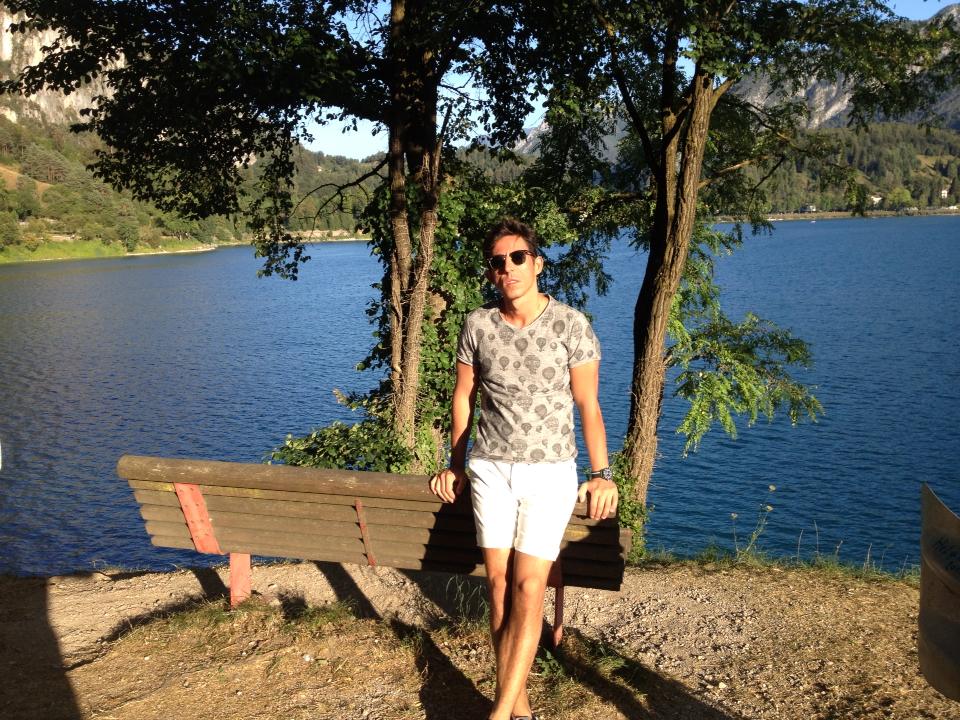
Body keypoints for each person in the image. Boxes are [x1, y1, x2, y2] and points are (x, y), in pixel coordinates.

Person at [430, 218, 618, 720]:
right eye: (498, 262)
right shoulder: (478, 325)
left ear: (537, 263)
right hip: (490, 469)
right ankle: (520, 709)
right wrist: (455, 464)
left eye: (517, 258)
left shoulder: (570, 325)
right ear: (490, 272)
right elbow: (464, 398)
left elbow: (589, 405)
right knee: (498, 587)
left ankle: (498, 713)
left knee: (530, 587)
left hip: (550, 472)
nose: (508, 268)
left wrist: (601, 473)